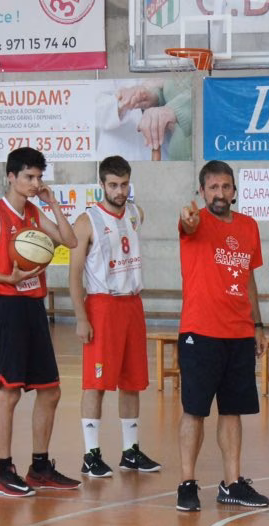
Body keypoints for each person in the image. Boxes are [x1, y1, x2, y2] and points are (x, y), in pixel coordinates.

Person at [0, 147, 81, 497]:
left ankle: (40, 467)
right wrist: (7, 279)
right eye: (29, 177)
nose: (35, 183)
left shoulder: (33, 212)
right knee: (10, 391)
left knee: (51, 390)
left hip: (33, 308)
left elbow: (70, 240)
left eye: (39, 177)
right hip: (7, 307)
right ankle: (4, 471)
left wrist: (53, 203)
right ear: (11, 176)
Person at [174, 160, 269, 512]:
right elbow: (187, 224)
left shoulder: (248, 226)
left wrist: (257, 325)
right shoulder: (195, 223)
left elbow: (248, 278)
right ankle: (187, 483)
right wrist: (187, 218)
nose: (219, 193)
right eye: (213, 187)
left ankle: (231, 483)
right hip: (200, 332)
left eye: (225, 187)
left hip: (239, 332)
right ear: (202, 191)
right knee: (195, 410)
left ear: (234, 191)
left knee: (232, 411)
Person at [69, 155, 162, 478]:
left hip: (132, 304)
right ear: (101, 185)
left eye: (124, 185)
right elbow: (74, 274)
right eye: (113, 185)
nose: (119, 191)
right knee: (95, 383)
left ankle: (130, 452)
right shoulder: (87, 221)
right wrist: (81, 317)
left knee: (132, 382)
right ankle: (91, 455)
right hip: (102, 305)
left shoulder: (136, 213)